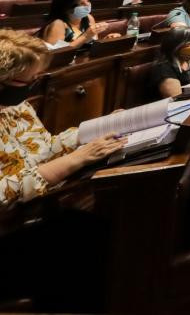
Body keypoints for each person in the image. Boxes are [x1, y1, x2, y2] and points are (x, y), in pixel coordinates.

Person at [0, 29, 124, 310]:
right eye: (28, 79)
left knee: (103, 231)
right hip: (7, 231)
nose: (33, 85)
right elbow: (4, 191)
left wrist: (93, 133)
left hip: (34, 216)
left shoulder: (16, 107)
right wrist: (75, 160)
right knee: (81, 250)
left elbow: (44, 148)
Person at [39, 0, 107, 53]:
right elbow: (55, 54)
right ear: (67, 7)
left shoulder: (89, 18)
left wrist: (105, 40)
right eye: (81, 3)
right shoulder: (58, 24)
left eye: (88, 1)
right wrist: (85, 36)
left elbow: (91, 46)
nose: (88, 5)